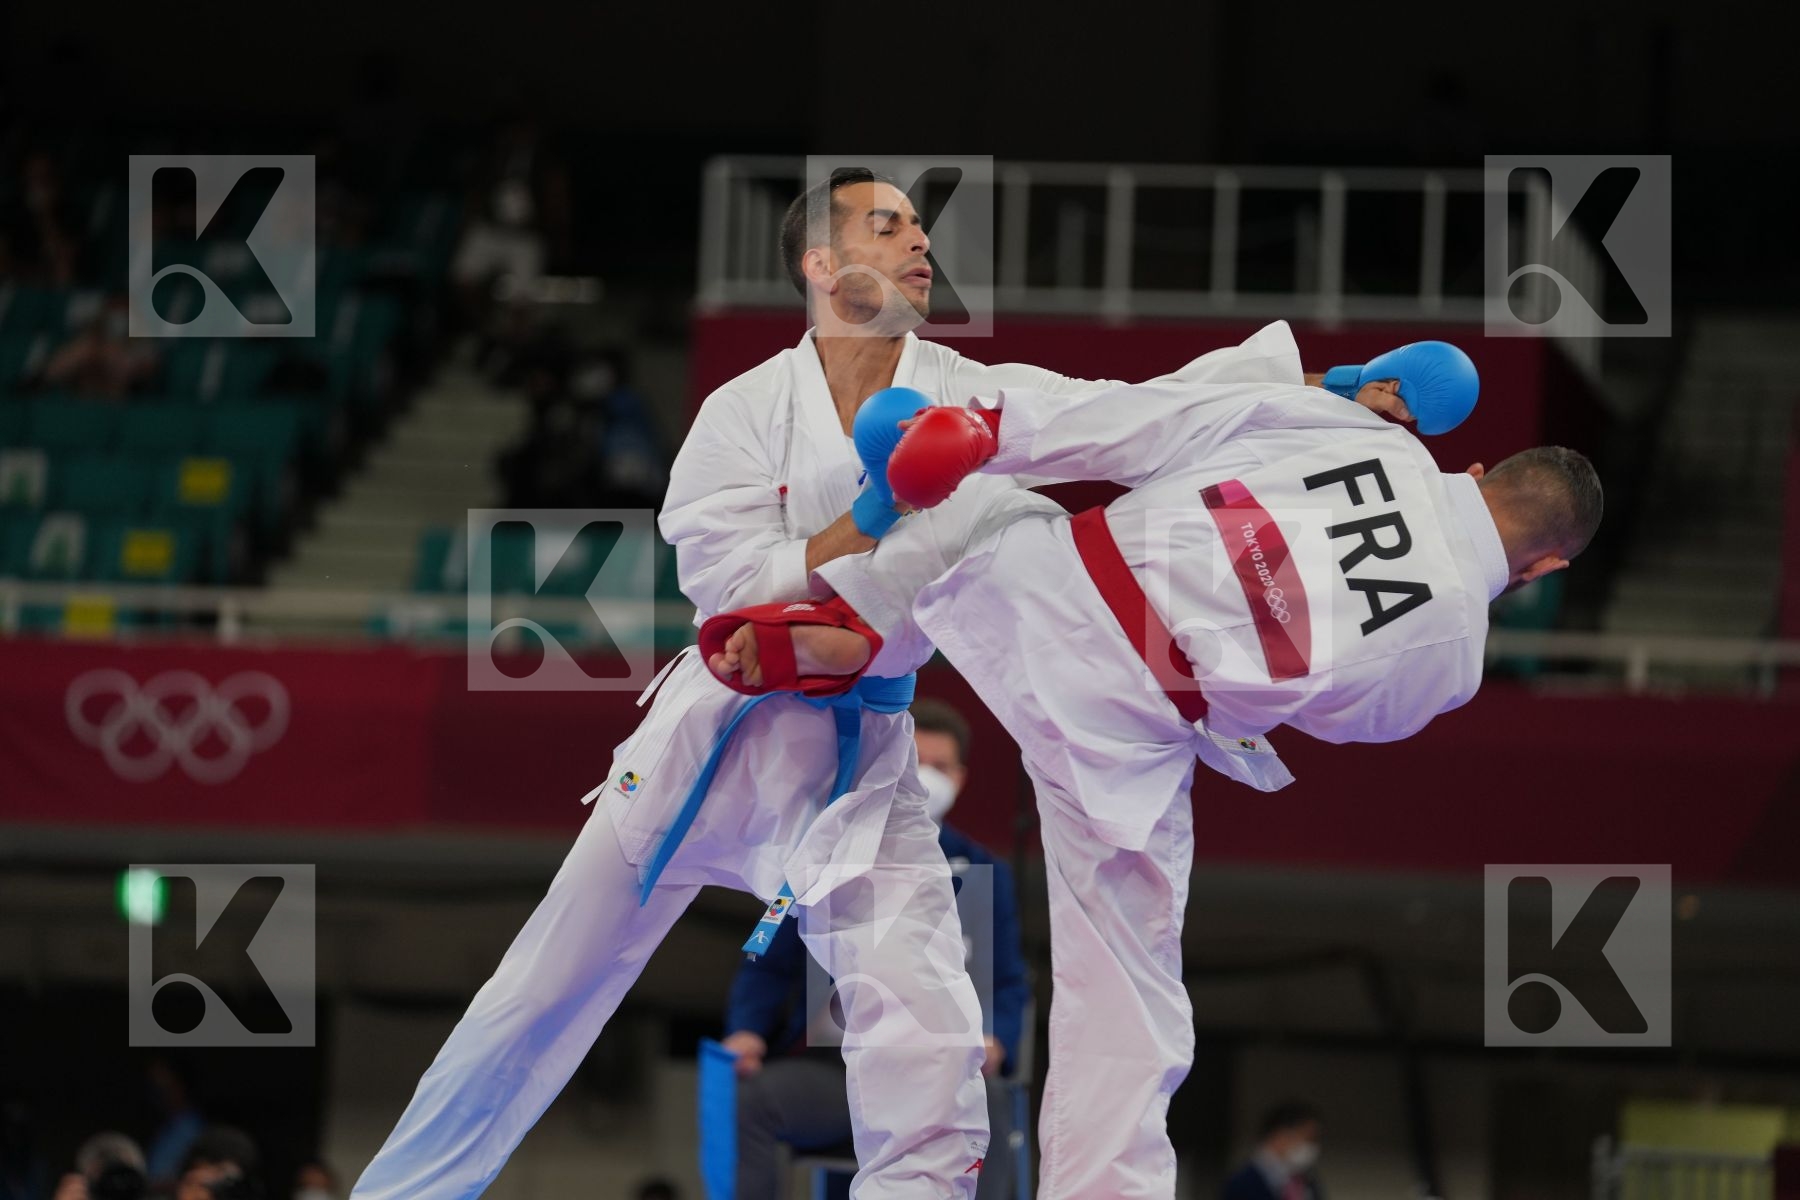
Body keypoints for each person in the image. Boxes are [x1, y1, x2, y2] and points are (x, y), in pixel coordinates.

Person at [352, 166, 1237, 1200]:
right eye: (888, 225)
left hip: (859, 764)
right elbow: (724, 592)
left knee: (931, 1045)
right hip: (711, 739)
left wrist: (1322, 392)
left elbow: (1133, 415)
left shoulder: (971, 399)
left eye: (920, 227)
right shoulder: (743, 409)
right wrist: (872, 515)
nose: (921, 243)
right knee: (536, 999)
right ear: (821, 262)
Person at [702, 321, 1600, 1197]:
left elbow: (1151, 421)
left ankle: (861, 616)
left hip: (1048, 577)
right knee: (1128, 995)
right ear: (1546, 566)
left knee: (984, 493)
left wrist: (997, 432)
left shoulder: (1367, 433)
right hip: (1128, 729)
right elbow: (1333, 720)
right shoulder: (1451, 663)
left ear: (1478, 473)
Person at [723, 698, 1029, 1200]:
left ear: (961, 777)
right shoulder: (825, 852)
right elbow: (768, 962)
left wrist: (997, 1039)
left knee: (987, 1102)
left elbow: (1009, 981)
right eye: (917, 762)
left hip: (942, 1067)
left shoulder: (984, 872)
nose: (927, 778)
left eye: (941, 767)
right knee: (752, 1099)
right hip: (834, 1069)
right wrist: (747, 1030)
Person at [1222, 1103, 1325, 1200]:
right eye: (1308, 1138)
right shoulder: (1241, 1183)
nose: (1311, 1147)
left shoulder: (1307, 1181)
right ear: (1280, 1135)